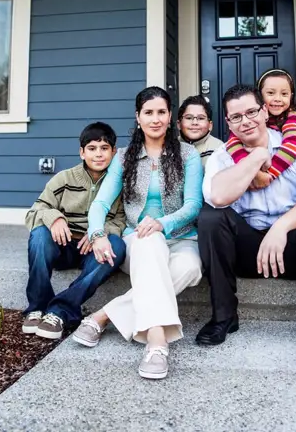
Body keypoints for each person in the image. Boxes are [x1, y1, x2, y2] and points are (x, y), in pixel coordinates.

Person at [196, 84, 296, 353]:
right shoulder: (223, 157)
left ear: (265, 111)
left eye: (252, 112)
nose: (246, 121)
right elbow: (218, 197)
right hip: (244, 253)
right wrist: (255, 157)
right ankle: (224, 316)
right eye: (236, 117)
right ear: (228, 123)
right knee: (211, 218)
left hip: (290, 248)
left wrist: (282, 226)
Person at [72, 86, 203, 380]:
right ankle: (156, 343)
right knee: (150, 239)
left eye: (161, 112)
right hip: (138, 241)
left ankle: (104, 315)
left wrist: (163, 222)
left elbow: (194, 205)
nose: (155, 119)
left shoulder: (187, 154)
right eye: (148, 112)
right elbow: (100, 204)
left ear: (170, 117)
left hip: (181, 237)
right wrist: (97, 234)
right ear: (138, 117)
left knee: (191, 267)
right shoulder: (123, 157)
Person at [22, 122, 126, 340]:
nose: (98, 154)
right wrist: (54, 218)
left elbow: (122, 219)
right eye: (92, 148)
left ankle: (60, 310)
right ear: (82, 152)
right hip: (64, 246)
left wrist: (100, 232)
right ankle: (37, 307)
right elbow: (35, 211)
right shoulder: (64, 178)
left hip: (94, 251)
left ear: (114, 152)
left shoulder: (119, 183)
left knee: (117, 245)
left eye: (105, 148)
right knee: (39, 235)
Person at [226, 69, 296, 189]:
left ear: (291, 96)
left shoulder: (290, 115)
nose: (278, 99)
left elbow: (293, 142)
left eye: (284, 94)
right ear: (260, 96)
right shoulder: (248, 121)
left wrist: (268, 174)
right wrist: (252, 172)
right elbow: (232, 144)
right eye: (271, 93)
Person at [178, 94, 223, 167]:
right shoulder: (171, 148)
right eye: (189, 118)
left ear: (210, 125)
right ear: (179, 124)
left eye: (201, 118)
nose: (195, 123)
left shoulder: (218, 149)